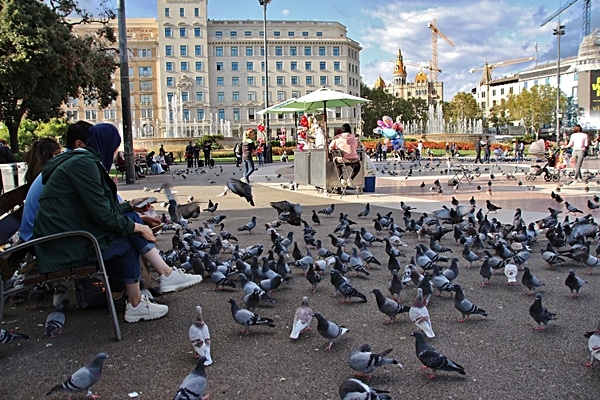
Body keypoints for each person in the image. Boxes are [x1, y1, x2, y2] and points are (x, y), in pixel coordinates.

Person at [33, 123, 201, 323]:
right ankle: (144, 295)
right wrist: (139, 227)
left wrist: (130, 205)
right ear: (106, 145)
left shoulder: (81, 161)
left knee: (129, 223)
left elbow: (100, 211)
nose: (114, 155)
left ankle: (154, 284)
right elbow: (103, 216)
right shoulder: (84, 164)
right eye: (114, 149)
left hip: (64, 235)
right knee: (129, 236)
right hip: (62, 244)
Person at [328, 123, 361, 188]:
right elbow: (356, 146)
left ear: (342, 130)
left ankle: (341, 179)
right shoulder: (353, 137)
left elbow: (330, 147)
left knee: (337, 164)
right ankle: (350, 179)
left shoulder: (337, 137)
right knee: (358, 167)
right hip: (354, 160)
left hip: (342, 160)